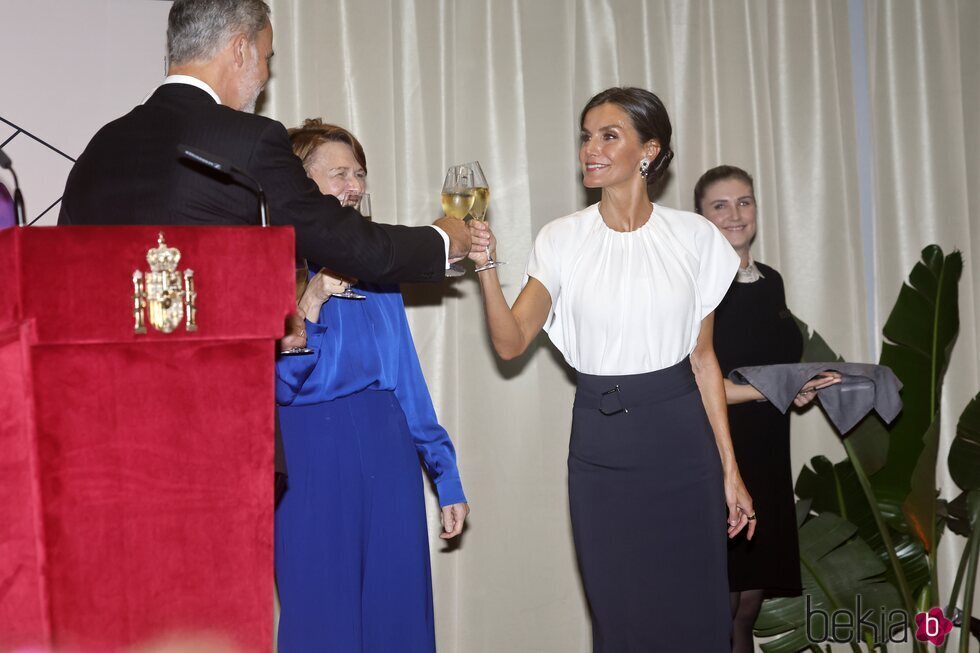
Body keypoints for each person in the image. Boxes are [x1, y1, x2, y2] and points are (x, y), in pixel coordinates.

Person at [56, 0, 471, 493]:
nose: (266, 75)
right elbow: (343, 240)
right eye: (267, 57)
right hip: (211, 430)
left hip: (100, 427)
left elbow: (72, 287)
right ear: (240, 49)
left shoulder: (101, 148)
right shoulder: (247, 142)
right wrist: (444, 239)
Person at [467, 87, 755, 652]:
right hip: (602, 445)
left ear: (648, 150)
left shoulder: (695, 237)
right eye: (585, 137)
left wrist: (730, 468)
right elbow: (510, 342)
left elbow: (702, 360)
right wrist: (486, 269)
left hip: (682, 439)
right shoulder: (562, 239)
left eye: (608, 136)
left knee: (699, 615)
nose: (590, 149)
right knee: (621, 620)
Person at [274, 119, 468, 652]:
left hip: (388, 450)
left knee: (397, 613)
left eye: (359, 174)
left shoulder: (377, 266)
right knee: (321, 616)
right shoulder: (268, 268)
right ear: (299, 183)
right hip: (309, 456)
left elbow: (405, 375)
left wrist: (444, 472)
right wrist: (309, 302)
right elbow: (279, 387)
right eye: (340, 174)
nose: (354, 186)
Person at [693, 165, 839, 653]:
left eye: (744, 202)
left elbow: (771, 365)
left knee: (749, 605)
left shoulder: (770, 281)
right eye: (720, 205)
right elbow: (697, 382)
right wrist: (773, 389)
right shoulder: (697, 287)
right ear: (702, 217)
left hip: (770, 450)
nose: (735, 214)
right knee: (723, 604)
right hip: (720, 453)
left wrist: (796, 389)